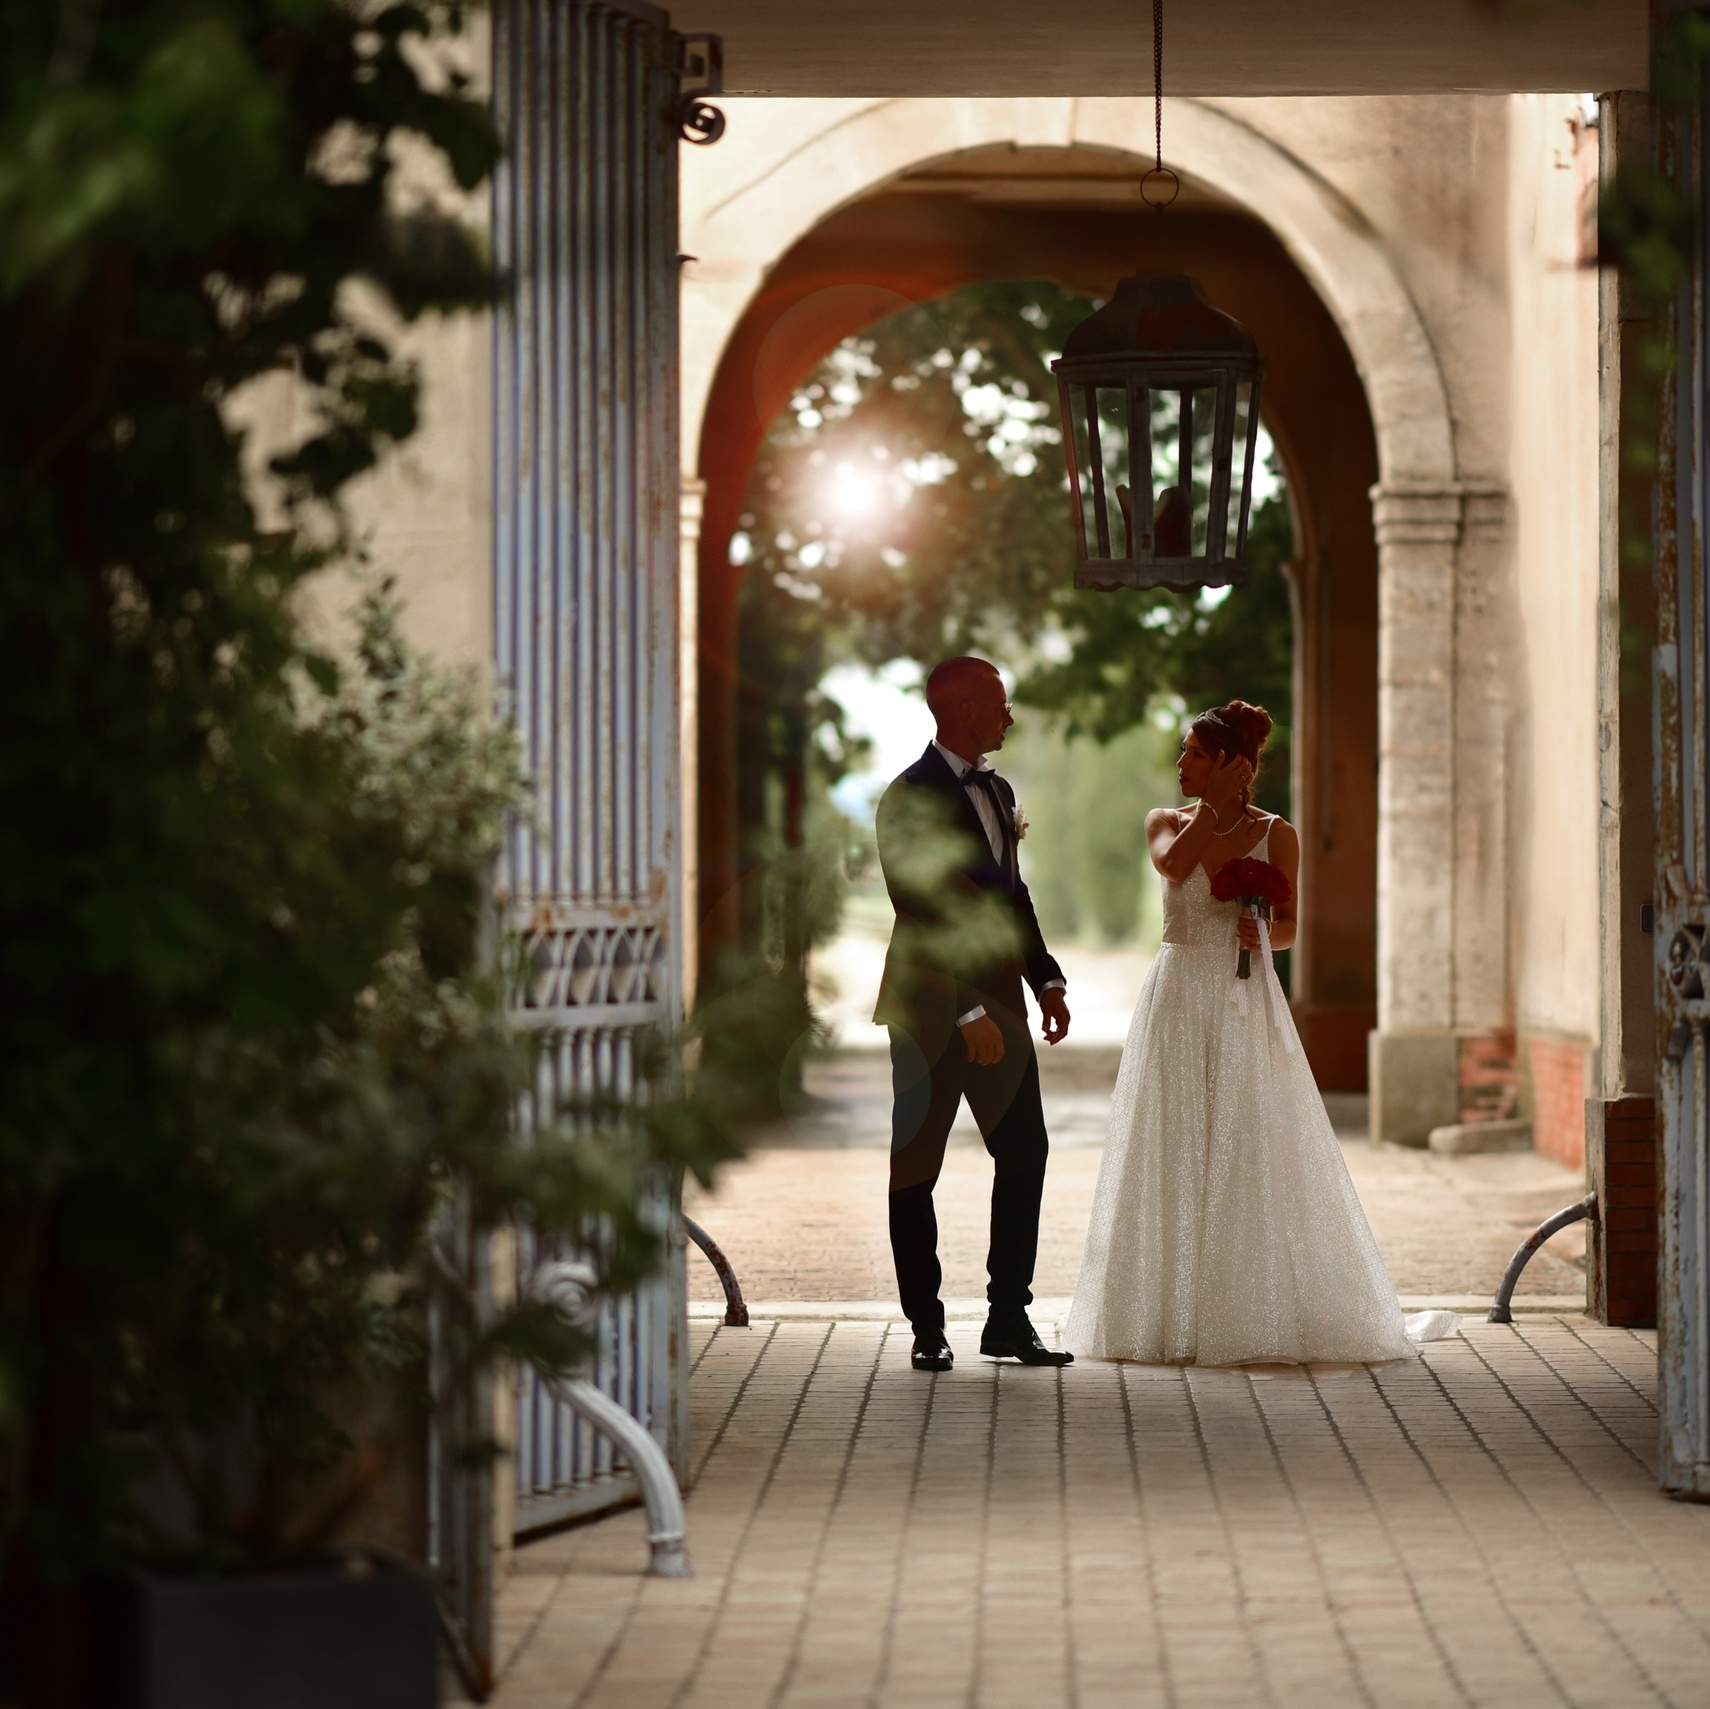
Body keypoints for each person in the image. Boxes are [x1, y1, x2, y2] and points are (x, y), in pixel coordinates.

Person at [1064, 700, 1429, 1366]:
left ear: (1234, 764)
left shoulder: (1277, 834)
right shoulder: (1166, 821)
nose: (1181, 762)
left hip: (1242, 997)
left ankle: (1248, 1310)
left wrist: (1263, 933)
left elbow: (1289, 926)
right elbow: (1175, 868)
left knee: (1248, 1136)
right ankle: (1163, 1316)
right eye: (1184, 750)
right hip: (1177, 995)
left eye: (1196, 753)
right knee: (1172, 1137)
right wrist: (1212, 807)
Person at [874, 657, 1075, 1373]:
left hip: (1005, 1007)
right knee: (916, 1168)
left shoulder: (1000, 790)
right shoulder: (907, 798)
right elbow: (919, 907)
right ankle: (926, 1327)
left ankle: (1008, 1318)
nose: (1010, 715)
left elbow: (1011, 897)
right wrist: (965, 1012)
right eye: (1000, 703)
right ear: (964, 710)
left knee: (1026, 1153)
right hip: (931, 1011)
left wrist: (1045, 979)